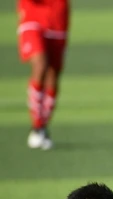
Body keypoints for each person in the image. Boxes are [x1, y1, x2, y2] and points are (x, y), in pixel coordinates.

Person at [17, 0, 70, 150]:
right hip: (32, 16)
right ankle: (37, 126)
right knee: (40, 64)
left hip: (57, 17)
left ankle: (42, 127)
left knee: (53, 73)